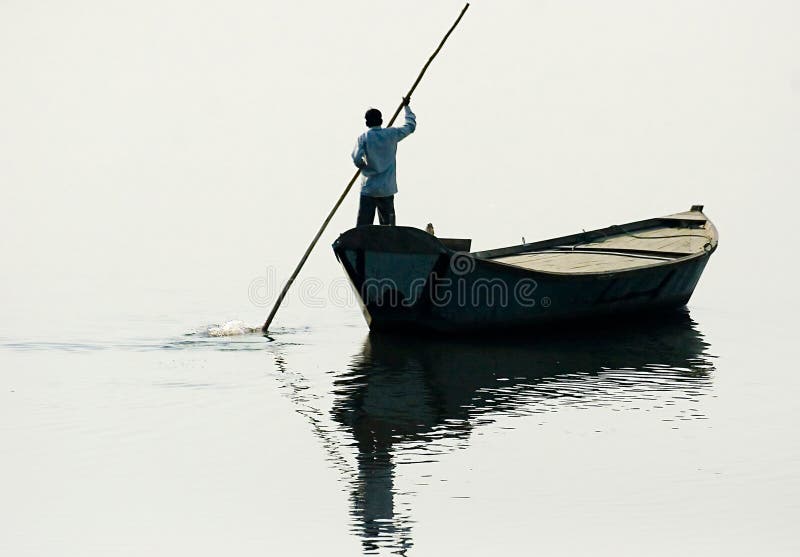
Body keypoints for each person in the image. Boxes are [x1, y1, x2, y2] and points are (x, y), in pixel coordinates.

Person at [351, 97, 416, 226]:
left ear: (367, 122)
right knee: (388, 229)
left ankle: (361, 245)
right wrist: (406, 108)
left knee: (363, 229)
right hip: (387, 189)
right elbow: (410, 126)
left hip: (369, 189)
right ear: (381, 120)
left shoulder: (364, 138)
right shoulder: (391, 134)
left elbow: (357, 159)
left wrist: (363, 165)